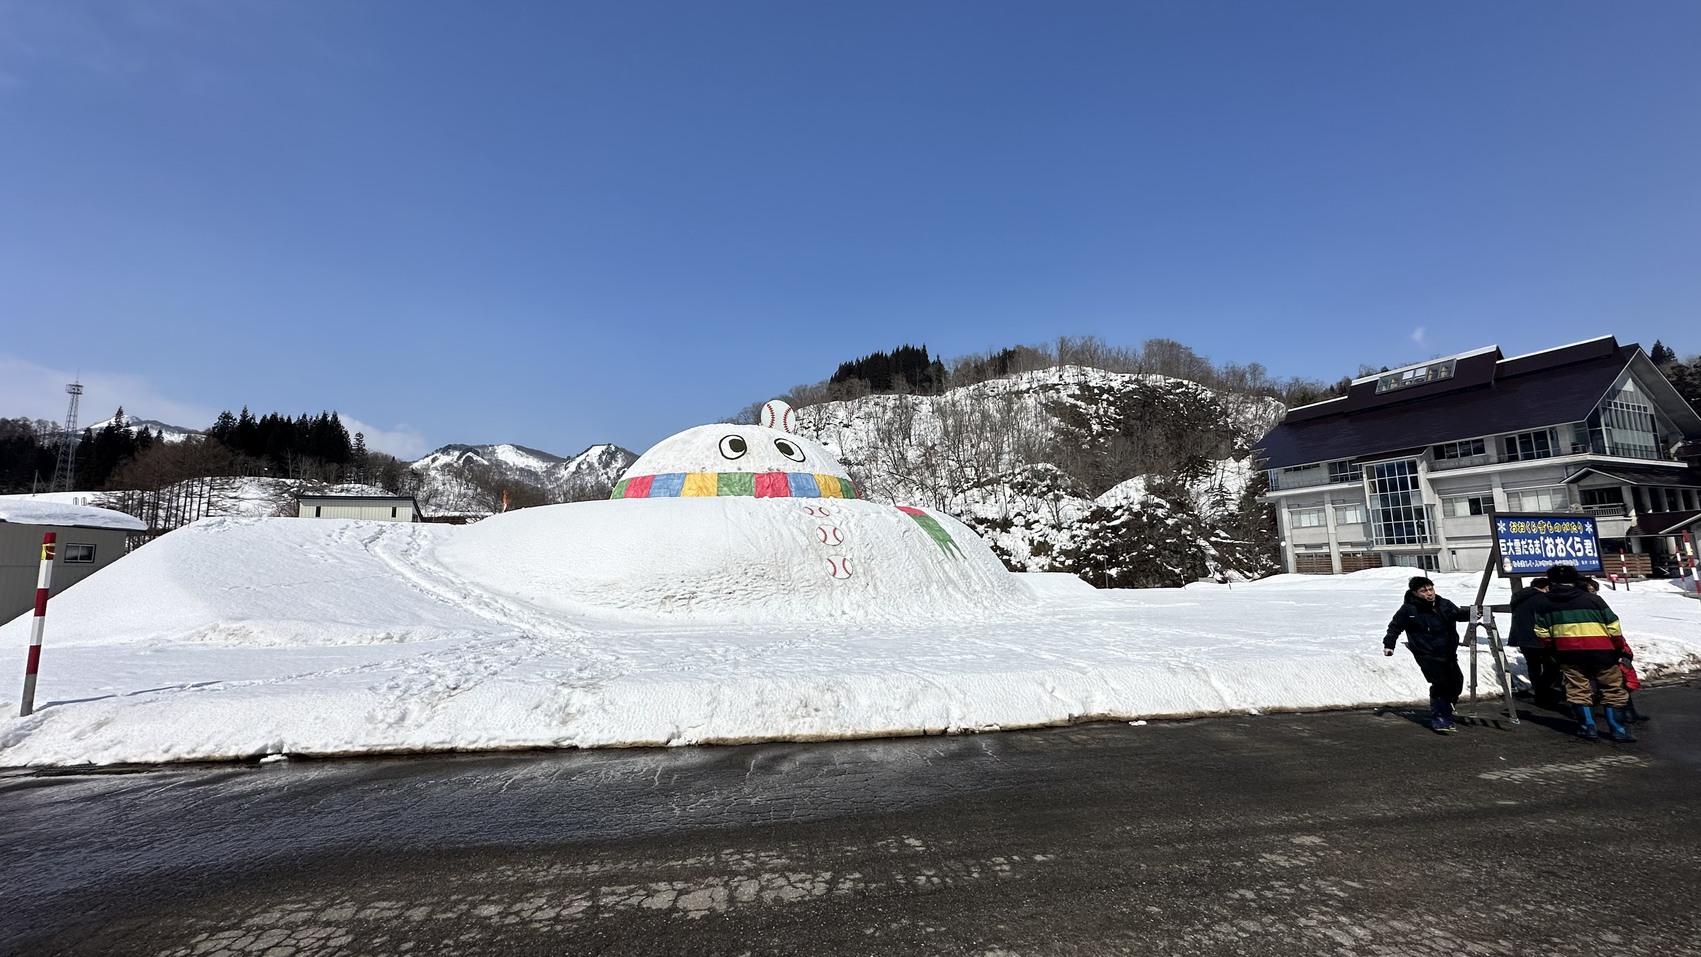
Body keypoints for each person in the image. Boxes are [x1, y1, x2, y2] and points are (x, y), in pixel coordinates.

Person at [1532, 564, 1636, 743]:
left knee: (1578, 689)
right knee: (1612, 689)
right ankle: (1618, 730)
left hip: (1568, 654)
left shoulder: (1543, 603)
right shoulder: (1593, 600)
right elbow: (1613, 626)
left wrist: (1552, 648)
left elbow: (1542, 633)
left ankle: (1588, 728)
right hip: (1602, 652)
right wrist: (1618, 647)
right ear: (1575, 579)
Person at [1383, 576, 1471, 733]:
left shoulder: (1444, 604)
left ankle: (1446, 709)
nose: (1429, 593)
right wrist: (1389, 645)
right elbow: (1394, 627)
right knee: (1441, 683)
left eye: (1431, 589)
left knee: (1457, 682)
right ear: (1415, 593)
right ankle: (1440, 718)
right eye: (1424, 591)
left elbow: (1458, 614)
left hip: (1448, 652)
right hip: (1427, 653)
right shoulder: (1409, 610)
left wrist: (1472, 614)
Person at [1506, 577, 1562, 706]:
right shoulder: (1542, 599)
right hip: (1539, 637)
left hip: (1522, 637)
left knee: (1533, 666)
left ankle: (1539, 690)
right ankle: (1543, 691)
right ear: (1546, 587)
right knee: (1552, 664)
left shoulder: (1519, 597)